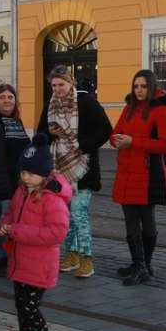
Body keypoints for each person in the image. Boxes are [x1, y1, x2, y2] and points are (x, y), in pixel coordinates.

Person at [0, 134, 71, 331]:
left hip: (39, 265)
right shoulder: (22, 191)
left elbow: (56, 233)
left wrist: (17, 231)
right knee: (22, 308)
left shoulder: (52, 199)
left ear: (44, 173)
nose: (25, 177)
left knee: (31, 309)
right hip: (20, 262)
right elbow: (11, 213)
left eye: (30, 173)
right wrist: (4, 226)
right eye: (22, 172)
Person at [37, 67, 111, 279]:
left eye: (61, 84)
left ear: (71, 83)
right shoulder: (50, 104)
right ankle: (71, 255)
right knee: (64, 215)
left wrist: (82, 145)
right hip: (58, 167)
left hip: (82, 167)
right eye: (54, 85)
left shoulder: (86, 102)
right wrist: (50, 133)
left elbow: (105, 129)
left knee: (79, 214)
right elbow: (40, 134)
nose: (57, 89)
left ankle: (87, 257)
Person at [110, 69, 166, 286]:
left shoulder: (161, 110)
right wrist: (117, 140)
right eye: (136, 86)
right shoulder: (129, 107)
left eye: (143, 86)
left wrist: (133, 142)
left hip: (149, 173)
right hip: (126, 171)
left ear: (151, 87)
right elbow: (115, 133)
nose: (139, 90)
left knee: (147, 219)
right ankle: (139, 264)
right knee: (130, 219)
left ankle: (144, 265)